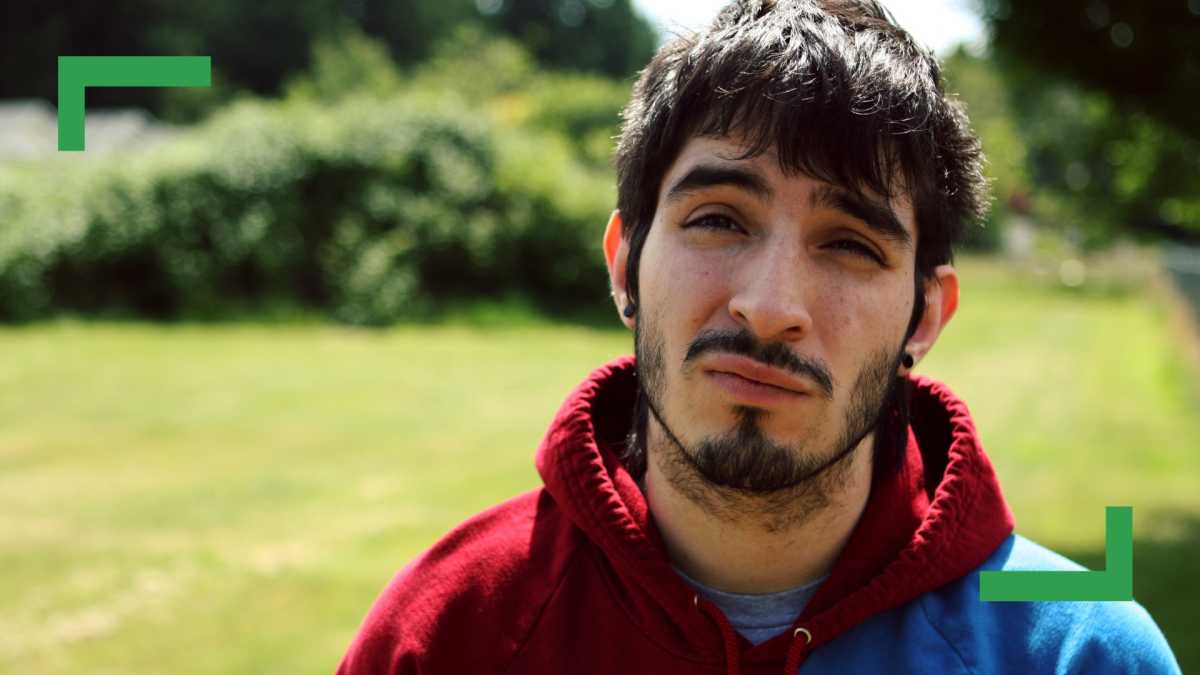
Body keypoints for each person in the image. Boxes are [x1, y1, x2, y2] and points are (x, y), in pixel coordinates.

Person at [335, 1, 1181, 672]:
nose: (770, 304)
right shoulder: (447, 633)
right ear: (625, 263)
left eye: (850, 243)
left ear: (925, 315)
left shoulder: (1080, 656)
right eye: (718, 219)